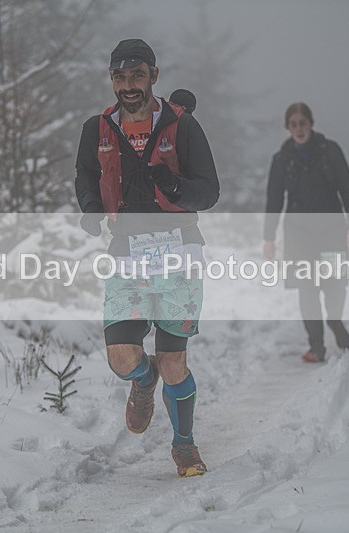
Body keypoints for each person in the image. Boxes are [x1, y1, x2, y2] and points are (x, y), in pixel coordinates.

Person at [75, 39, 219, 476]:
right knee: (121, 356)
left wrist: (174, 187)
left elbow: (209, 191)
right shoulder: (96, 128)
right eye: (120, 77)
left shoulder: (182, 126)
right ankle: (142, 380)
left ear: (154, 76)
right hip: (126, 249)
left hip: (179, 245)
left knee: (175, 361)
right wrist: (91, 210)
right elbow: (86, 174)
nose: (128, 85)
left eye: (137, 75)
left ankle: (184, 446)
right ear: (112, 81)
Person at [263, 102, 349, 363]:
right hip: (299, 233)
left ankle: (335, 321)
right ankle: (316, 346)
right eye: (293, 124)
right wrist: (268, 238)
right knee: (307, 289)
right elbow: (274, 199)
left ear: (311, 124)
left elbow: (347, 188)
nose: (299, 129)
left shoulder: (330, 151)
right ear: (288, 127)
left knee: (335, 283)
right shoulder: (282, 159)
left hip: (331, 228)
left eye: (302, 123)